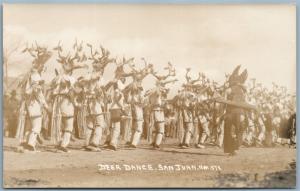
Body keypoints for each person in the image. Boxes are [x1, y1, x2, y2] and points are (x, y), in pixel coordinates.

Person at [16, 45, 52, 152]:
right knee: (37, 126)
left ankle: (24, 144)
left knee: (29, 125)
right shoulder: (36, 76)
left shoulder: (28, 75)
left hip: (27, 104)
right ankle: (30, 145)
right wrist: (46, 106)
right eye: (43, 66)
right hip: (33, 104)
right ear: (39, 65)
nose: (43, 68)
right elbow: (38, 93)